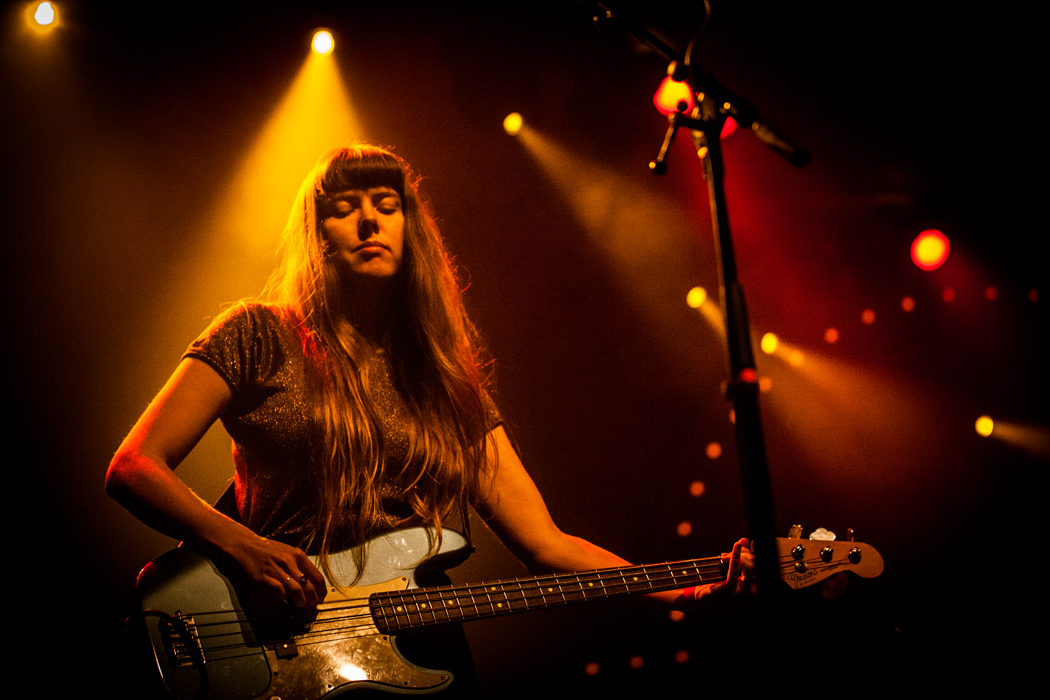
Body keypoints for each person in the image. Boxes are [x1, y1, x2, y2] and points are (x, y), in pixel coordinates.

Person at [106, 144, 751, 695]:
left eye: (387, 206)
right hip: (275, 634)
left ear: (413, 228)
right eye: (343, 208)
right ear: (316, 233)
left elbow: (548, 545)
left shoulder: (445, 384)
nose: (368, 222)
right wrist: (245, 547)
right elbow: (134, 466)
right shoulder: (257, 333)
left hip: (424, 651)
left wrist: (687, 592)